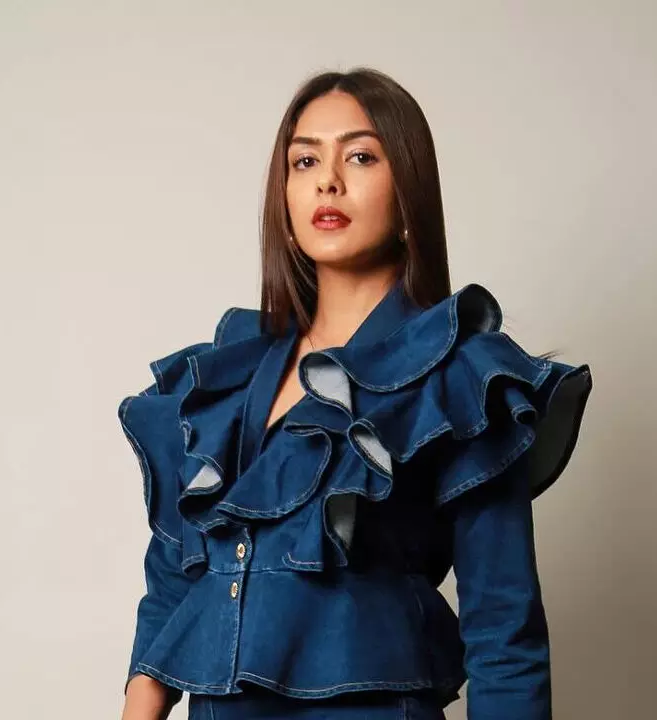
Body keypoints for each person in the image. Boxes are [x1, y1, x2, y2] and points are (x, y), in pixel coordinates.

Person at [117, 67, 592, 720]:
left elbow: (504, 633)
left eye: (361, 156)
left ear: (408, 193)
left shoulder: (460, 378)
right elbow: (175, 579)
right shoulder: (229, 377)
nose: (328, 181)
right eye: (305, 160)